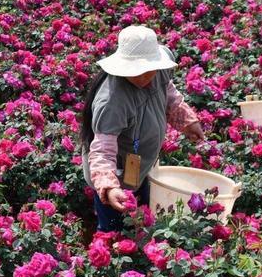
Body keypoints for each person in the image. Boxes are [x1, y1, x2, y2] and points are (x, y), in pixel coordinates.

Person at [80, 26, 204, 232]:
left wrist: (187, 121)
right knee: (115, 230)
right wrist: (110, 188)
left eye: (150, 68)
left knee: (141, 219)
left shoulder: (159, 70)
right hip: (114, 173)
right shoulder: (112, 101)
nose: (146, 75)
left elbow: (168, 92)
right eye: (137, 70)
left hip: (138, 166)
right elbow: (102, 149)